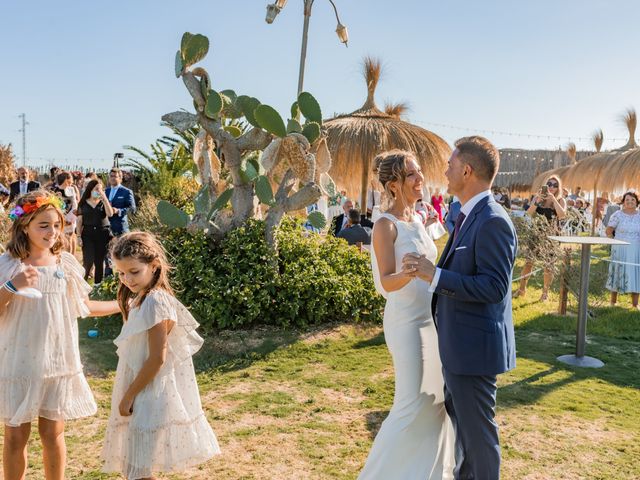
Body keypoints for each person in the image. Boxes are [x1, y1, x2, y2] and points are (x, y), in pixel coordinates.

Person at [403, 136, 517, 480]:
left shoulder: (492, 220)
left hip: (474, 352)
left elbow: (494, 288)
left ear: (467, 170)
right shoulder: (467, 215)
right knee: (466, 440)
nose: (445, 170)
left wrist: (434, 274)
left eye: (450, 165)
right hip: (459, 348)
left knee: (479, 442)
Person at [0, 190, 120, 480]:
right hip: (19, 363)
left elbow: (83, 307)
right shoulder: (8, 265)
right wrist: (12, 287)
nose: (52, 232)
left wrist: (121, 305)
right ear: (24, 225)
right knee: (16, 436)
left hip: (57, 363)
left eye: (56, 225)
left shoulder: (63, 265)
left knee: (53, 434)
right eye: (43, 225)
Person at [360, 149, 454, 479]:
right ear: (394, 185)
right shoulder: (385, 226)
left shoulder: (417, 219)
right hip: (406, 324)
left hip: (431, 322)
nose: (420, 179)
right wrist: (410, 273)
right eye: (412, 174)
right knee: (410, 405)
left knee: (437, 404)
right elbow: (385, 282)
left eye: (418, 172)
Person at [101, 232, 220, 478]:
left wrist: (129, 396)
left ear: (154, 266)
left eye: (134, 272)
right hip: (140, 388)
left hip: (150, 392)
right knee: (133, 467)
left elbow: (157, 357)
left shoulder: (157, 302)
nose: (127, 279)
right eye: (121, 273)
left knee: (137, 470)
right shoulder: (141, 299)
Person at [514, 175, 567, 301]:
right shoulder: (538, 198)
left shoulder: (560, 200)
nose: (552, 187)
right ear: (545, 185)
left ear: (558, 188)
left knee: (549, 265)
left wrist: (553, 199)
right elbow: (529, 213)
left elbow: (562, 216)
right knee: (528, 262)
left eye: (555, 185)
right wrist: (537, 200)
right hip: (536, 234)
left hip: (552, 236)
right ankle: (521, 289)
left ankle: (545, 293)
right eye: (549, 184)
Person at [605, 191, 640, 309]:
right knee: (617, 272)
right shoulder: (617, 215)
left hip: (636, 250)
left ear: (637, 202)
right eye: (627, 200)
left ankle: (635, 304)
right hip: (619, 248)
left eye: (633, 200)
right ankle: (613, 302)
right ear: (623, 203)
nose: (630, 202)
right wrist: (613, 241)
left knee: (636, 274)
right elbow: (608, 230)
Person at [77, 180, 114, 285]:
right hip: (88, 234)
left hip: (102, 234)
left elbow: (110, 214)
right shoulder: (83, 203)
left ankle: (97, 285)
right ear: (90, 189)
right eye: (96, 189)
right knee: (88, 260)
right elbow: (79, 221)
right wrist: (78, 236)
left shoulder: (103, 202)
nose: (99, 191)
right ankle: (82, 283)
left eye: (100, 189)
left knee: (99, 261)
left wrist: (105, 198)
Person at [52, 171, 80, 254]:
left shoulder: (71, 189)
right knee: (58, 239)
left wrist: (71, 218)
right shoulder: (55, 191)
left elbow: (75, 204)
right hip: (59, 219)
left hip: (70, 218)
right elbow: (55, 207)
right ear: (66, 179)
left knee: (69, 239)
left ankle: (70, 259)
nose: (72, 180)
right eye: (71, 178)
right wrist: (62, 219)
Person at [105, 168, 136, 236]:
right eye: (111, 176)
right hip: (106, 228)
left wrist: (118, 211)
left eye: (115, 176)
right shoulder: (105, 192)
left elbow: (132, 209)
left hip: (120, 229)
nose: (112, 178)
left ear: (120, 178)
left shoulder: (126, 192)